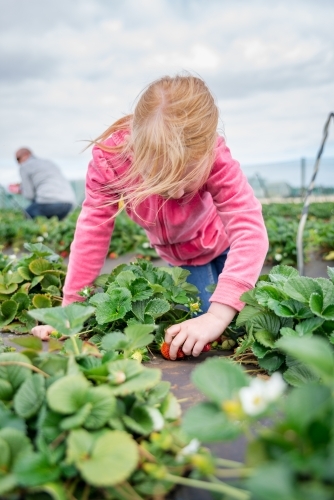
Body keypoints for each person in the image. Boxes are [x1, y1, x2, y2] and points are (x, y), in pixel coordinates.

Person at [31, 73, 269, 360]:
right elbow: (92, 231)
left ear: (207, 151)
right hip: (185, 257)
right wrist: (72, 310)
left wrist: (218, 316)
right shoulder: (111, 162)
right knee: (198, 325)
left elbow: (249, 231)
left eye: (187, 178)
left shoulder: (216, 157)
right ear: (139, 152)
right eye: (162, 179)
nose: (179, 190)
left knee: (229, 317)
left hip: (224, 240)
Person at [11, 148, 76, 219]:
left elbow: (29, 195)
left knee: (27, 214)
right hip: (69, 203)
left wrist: (19, 190)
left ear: (26, 154)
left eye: (18, 159)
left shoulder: (24, 167)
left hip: (50, 203)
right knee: (55, 226)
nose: (18, 162)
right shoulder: (48, 162)